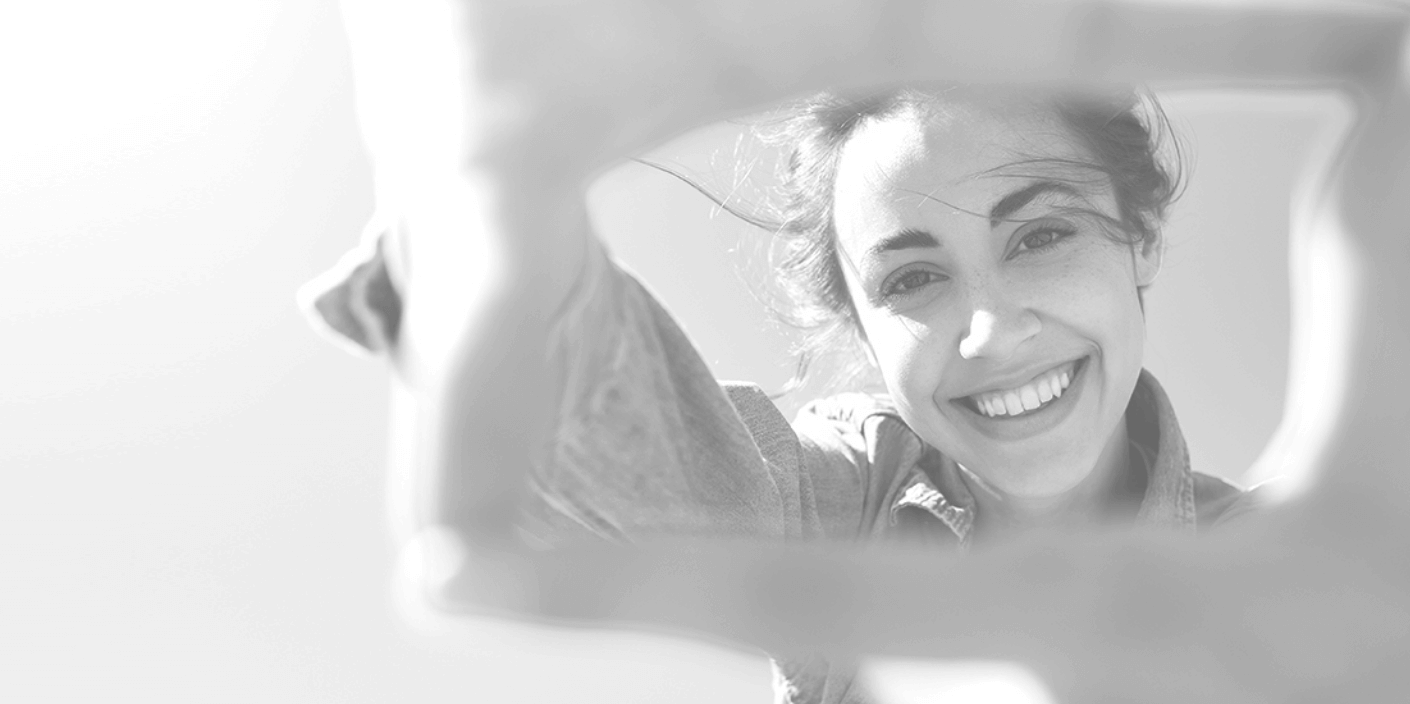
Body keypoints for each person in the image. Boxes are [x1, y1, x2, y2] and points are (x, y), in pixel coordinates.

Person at [305, 82, 1261, 703]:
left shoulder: (1290, 562)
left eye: (1042, 235)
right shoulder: (848, 507)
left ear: (1141, 238)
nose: (990, 331)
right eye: (912, 280)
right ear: (863, 331)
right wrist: (489, 223)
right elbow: (678, 467)